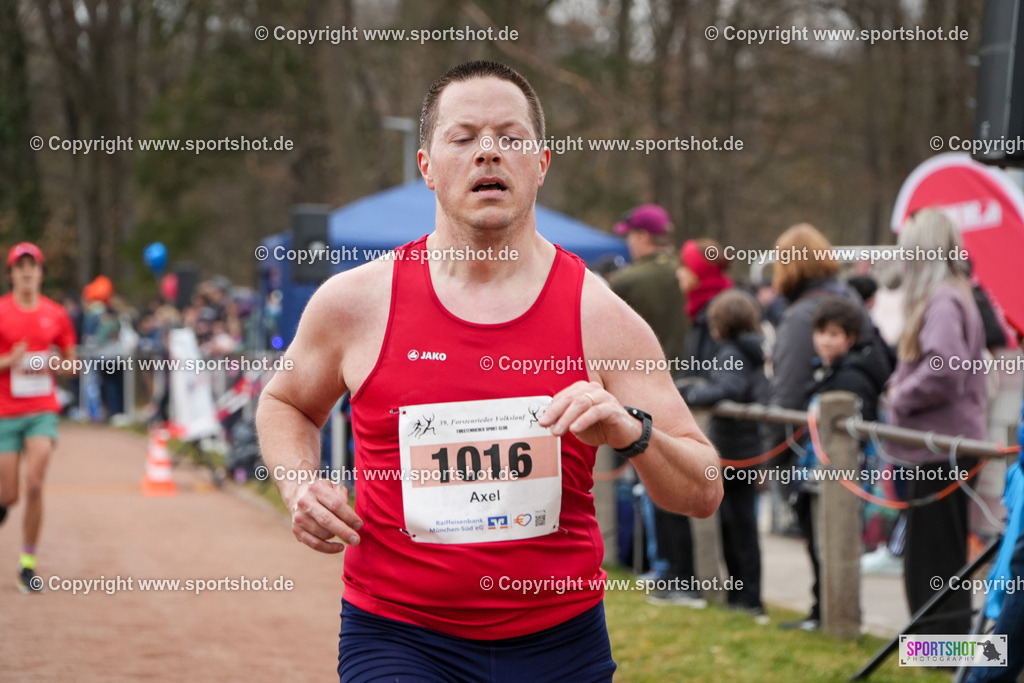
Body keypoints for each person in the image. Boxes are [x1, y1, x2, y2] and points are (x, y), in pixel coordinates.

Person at [255, 60, 722, 681]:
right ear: (426, 165)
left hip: (561, 640)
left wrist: (631, 431)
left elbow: (704, 487)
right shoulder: (355, 303)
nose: (488, 154)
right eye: (464, 137)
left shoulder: (601, 316)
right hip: (400, 635)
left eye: (510, 137)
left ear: (541, 163)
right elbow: (285, 403)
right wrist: (299, 485)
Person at [764, 223, 884, 630]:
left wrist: (775, 449)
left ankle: (832, 616)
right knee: (831, 535)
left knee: (824, 533)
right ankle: (830, 613)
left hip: (815, 446)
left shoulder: (802, 315)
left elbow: (789, 386)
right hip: (843, 441)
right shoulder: (847, 296)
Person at [886, 208, 986, 636]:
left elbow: (946, 367)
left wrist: (899, 397)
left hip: (943, 448)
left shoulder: (943, 297)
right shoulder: (954, 292)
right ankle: (940, 651)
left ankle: (942, 652)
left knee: (934, 561)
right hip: (945, 446)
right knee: (936, 558)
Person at [608, 204, 692, 597]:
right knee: (680, 479)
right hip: (686, 388)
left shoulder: (628, 281)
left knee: (652, 484)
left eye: (630, 234)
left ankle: (668, 571)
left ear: (642, 238)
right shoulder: (684, 274)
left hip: (642, 390)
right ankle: (683, 575)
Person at [680, 289, 767, 617]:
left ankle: (748, 599)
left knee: (738, 525)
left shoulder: (731, 351)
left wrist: (694, 392)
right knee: (738, 524)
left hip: (736, 451)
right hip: (744, 448)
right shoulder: (750, 348)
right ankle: (742, 596)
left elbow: (730, 388)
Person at [0, 243, 77, 592]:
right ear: (11, 274)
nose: (27, 272)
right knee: (9, 495)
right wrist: (8, 361)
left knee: (33, 484)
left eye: (33, 267)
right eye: (20, 267)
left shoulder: (56, 314)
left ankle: (27, 564)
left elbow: (73, 364)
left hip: (42, 409)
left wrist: (61, 365)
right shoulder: (1, 312)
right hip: (5, 412)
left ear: (42, 273)